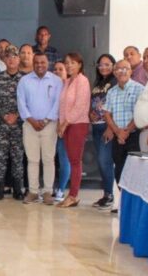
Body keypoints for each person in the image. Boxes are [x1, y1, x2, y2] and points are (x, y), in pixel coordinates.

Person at [17, 53, 62, 205]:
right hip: (30, 125)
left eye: (42, 62)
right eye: (36, 62)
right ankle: (33, 192)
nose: (39, 65)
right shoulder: (24, 81)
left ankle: (48, 191)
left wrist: (46, 120)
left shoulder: (56, 81)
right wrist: (32, 120)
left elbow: (57, 103)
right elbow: (21, 103)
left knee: (48, 159)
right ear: (33, 63)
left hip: (49, 125)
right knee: (32, 160)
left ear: (47, 63)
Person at [103, 59, 144, 212]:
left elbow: (140, 113)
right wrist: (117, 131)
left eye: (125, 68)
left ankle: (133, 206)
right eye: (118, 69)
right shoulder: (112, 91)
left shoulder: (139, 89)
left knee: (134, 171)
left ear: (131, 71)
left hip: (133, 136)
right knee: (119, 170)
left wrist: (126, 131)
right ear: (114, 72)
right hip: (117, 136)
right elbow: (107, 114)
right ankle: (123, 203)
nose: (122, 72)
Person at [0, 45, 25, 201]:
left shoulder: (25, 80)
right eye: (8, 57)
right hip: (1, 125)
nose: (11, 59)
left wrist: (16, 115)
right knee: (1, 157)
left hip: (19, 125)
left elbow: (29, 102)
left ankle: (17, 189)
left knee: (17, 157)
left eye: (14, 57)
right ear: (4, 59)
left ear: (19, 59)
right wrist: (4, 115)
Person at [56, 52, 91, 208]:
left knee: (75, 161)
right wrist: (60, 122)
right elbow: (63, 105)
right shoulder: (67, 81)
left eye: (72, 63)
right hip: (66, 124)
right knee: (69, 159)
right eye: (67, 63)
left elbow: (80, 106)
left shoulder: (82, 81)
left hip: (77, 124)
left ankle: (73, 195)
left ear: (80, 65)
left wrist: (66, 123)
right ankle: (70, 194)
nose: (69, 65)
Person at [89, 54, 117, 210]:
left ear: (113, 65)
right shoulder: (98, 82)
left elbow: (112, 106)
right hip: (96, 126)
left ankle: (110, 195)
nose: (103, 67)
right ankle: (106, 194)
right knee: (101, 162)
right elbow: (94, 102)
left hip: (107, 127)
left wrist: (110, 127)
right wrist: (90, 113)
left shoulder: (114, 82)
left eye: (107, 64)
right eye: (101, 64)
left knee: (104, 161)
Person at [52, 61, 70, 202]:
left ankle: (61, 189)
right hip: (52, 127)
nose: (57, 71)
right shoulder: (51, 86)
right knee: (52, 159)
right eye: (55, 69)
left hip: (66, 127)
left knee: (64, 160)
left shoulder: (71, 86)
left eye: (61, 69)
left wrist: (62, 124)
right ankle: (52, 187)